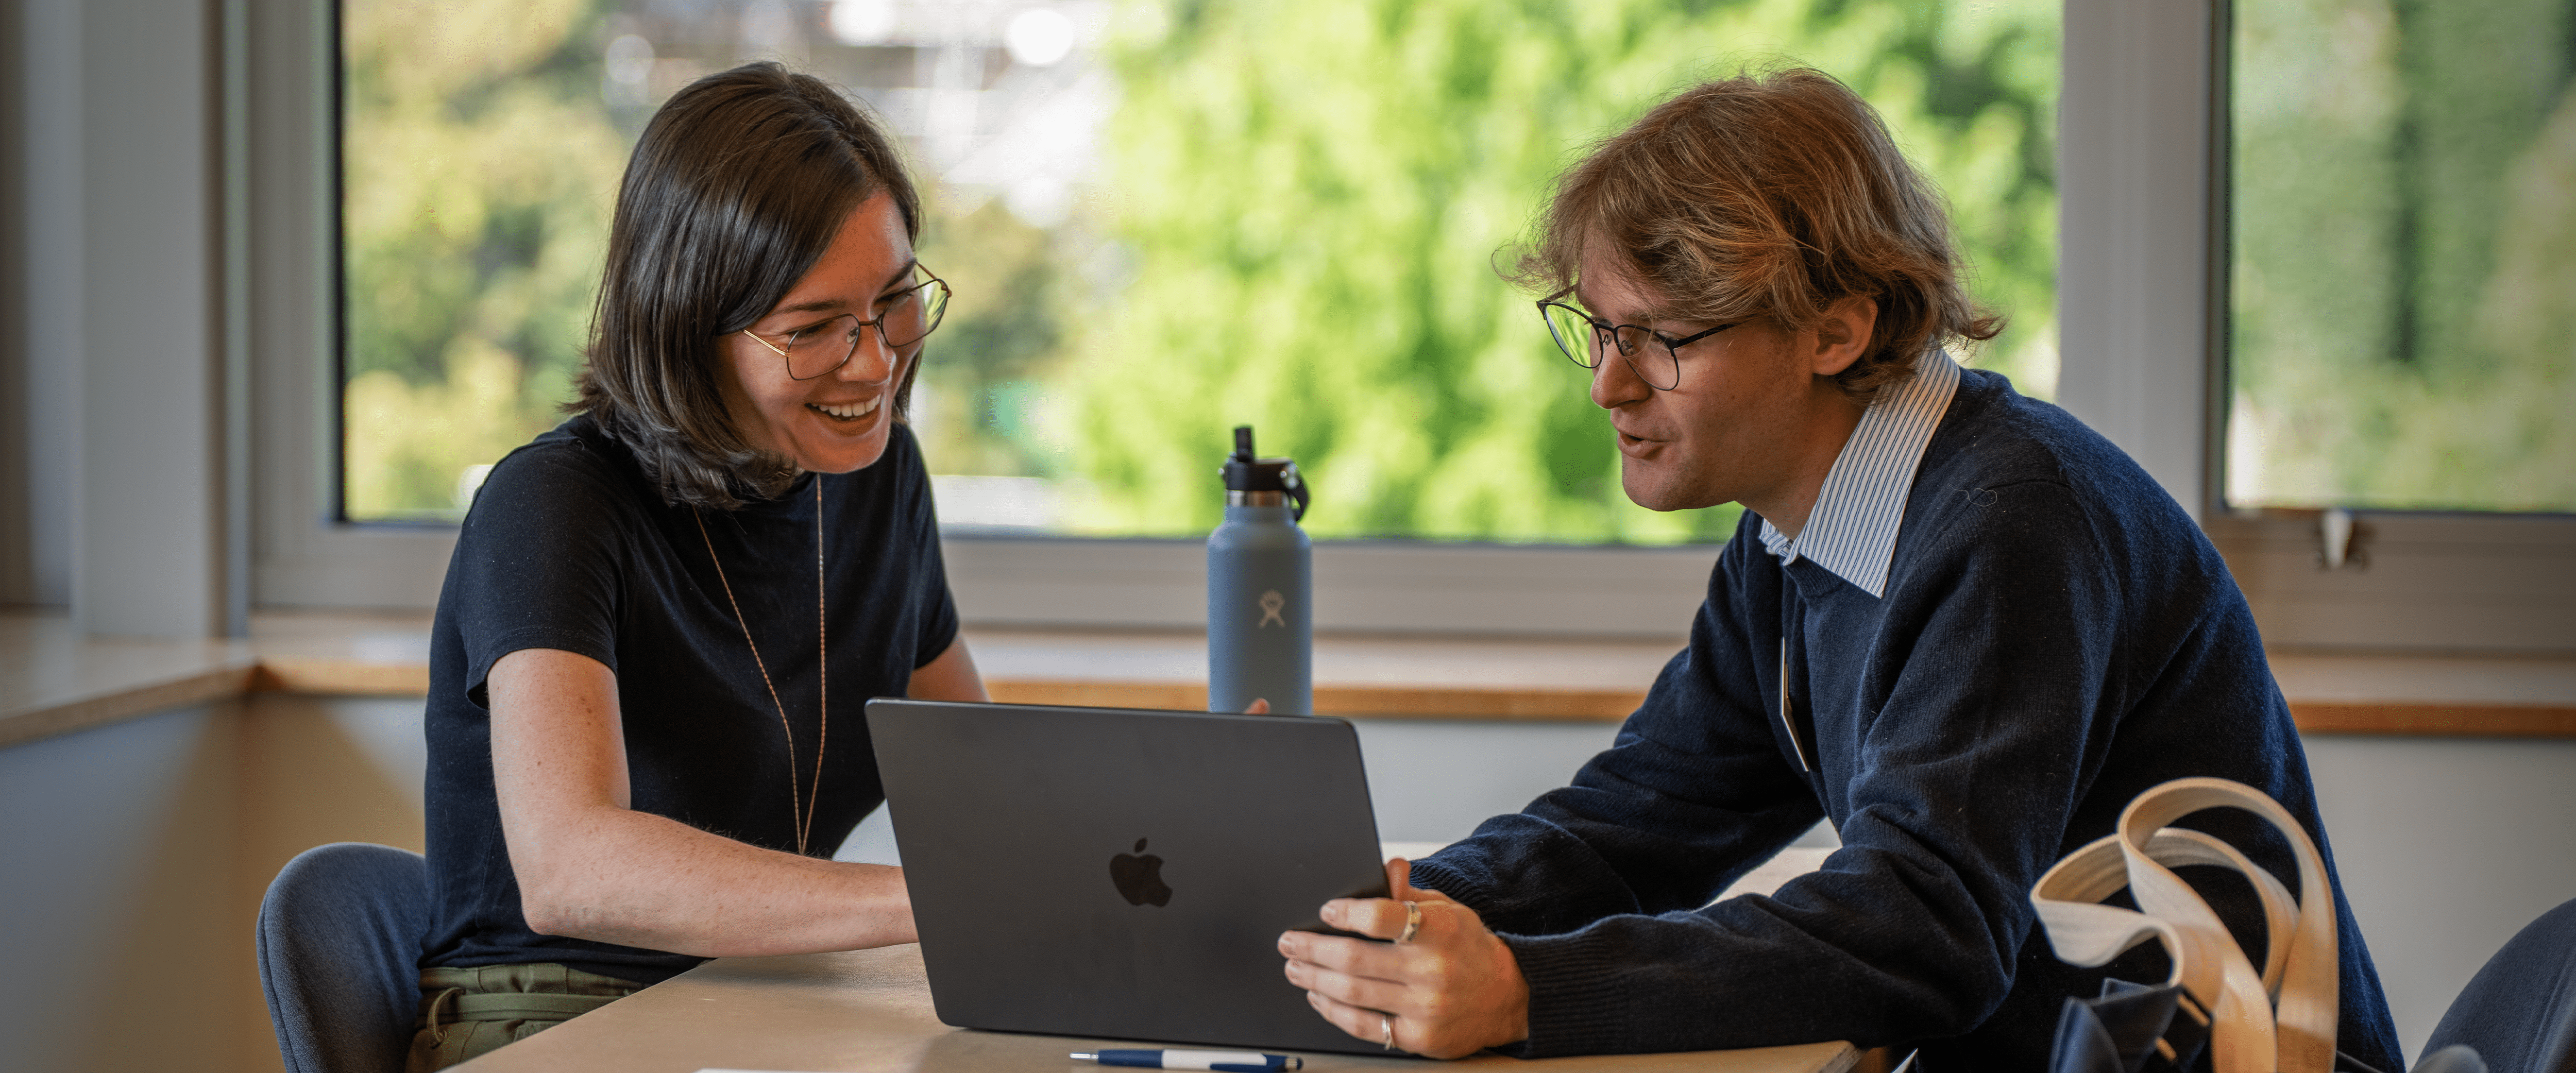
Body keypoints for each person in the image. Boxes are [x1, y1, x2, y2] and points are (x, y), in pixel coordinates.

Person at [1273, 68, 2405, 1070]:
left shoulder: (2009, 526)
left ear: (1835, 332)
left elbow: (1921, 929)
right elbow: (1647, 815)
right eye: (1598, 329)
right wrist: (1377, 913)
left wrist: (1531, 993)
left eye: (1662, 339)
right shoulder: (1796, 532)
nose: (1608, 387)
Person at [411, 64, 986, 1071]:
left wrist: (1169, 815)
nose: (876, 361)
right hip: (549, 1018)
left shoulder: (875, 474)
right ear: (687, 330)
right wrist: (940, 899)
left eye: (895, 301)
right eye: (813, 330)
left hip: (755, 1002)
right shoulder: (554, 506)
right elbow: (570, 868)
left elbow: (986, 785)